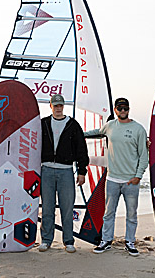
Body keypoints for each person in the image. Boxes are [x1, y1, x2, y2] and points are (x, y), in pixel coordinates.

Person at [85, 97, 148, 256]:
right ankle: (106, 240)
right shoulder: (110, 125)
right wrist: (79, 134)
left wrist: (138, 176)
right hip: (112, 179)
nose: (122, 111)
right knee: (108, 213)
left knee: (131, 214)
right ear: (115, 110)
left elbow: (144, 156)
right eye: (119, 108)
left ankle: (130, 242)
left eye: (125, 108)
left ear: (129, 109)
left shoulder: (138, 129)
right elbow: (97, 133)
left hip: (130, 181)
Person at [39, 93, 90, 253]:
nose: (58, 108)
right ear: (51, 106)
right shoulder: (43, 123)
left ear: (64, 106)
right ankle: (46, 240)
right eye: (56, 105)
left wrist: (82, 172)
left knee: (67, 208)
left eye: (61, 105)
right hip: (46, 170)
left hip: (66, 171)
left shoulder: (73, 125)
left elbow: (82, 150)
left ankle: (68, 241)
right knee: (47, 208)